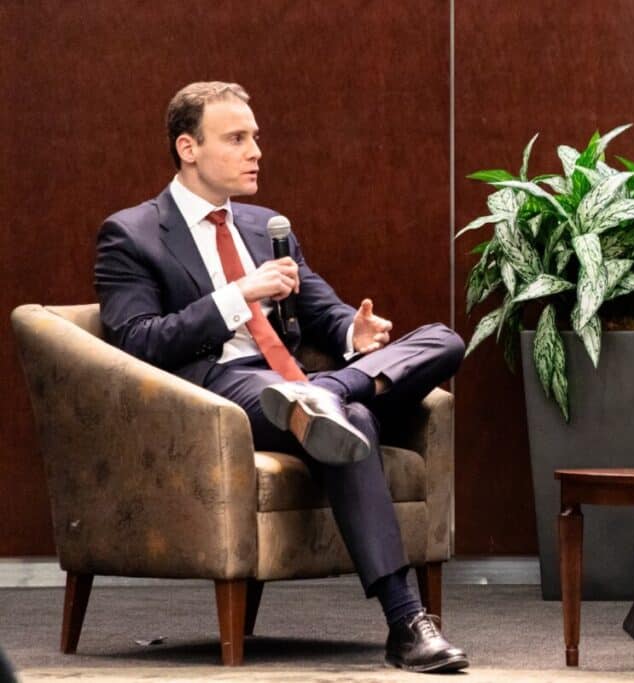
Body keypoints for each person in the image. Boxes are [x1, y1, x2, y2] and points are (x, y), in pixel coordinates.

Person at [94, 81, 468, 673]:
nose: (256, 151)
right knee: (357, 417)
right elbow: (137, 341)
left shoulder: (267, 224)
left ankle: (328, 395)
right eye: (237, 138)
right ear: (188, 147)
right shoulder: (133, 234)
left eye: (256, 137)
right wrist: (237, 296)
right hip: (223, 389)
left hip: (299, 383)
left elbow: (325, 309)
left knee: (443, 339)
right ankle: (407, 622)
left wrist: (355, 334)